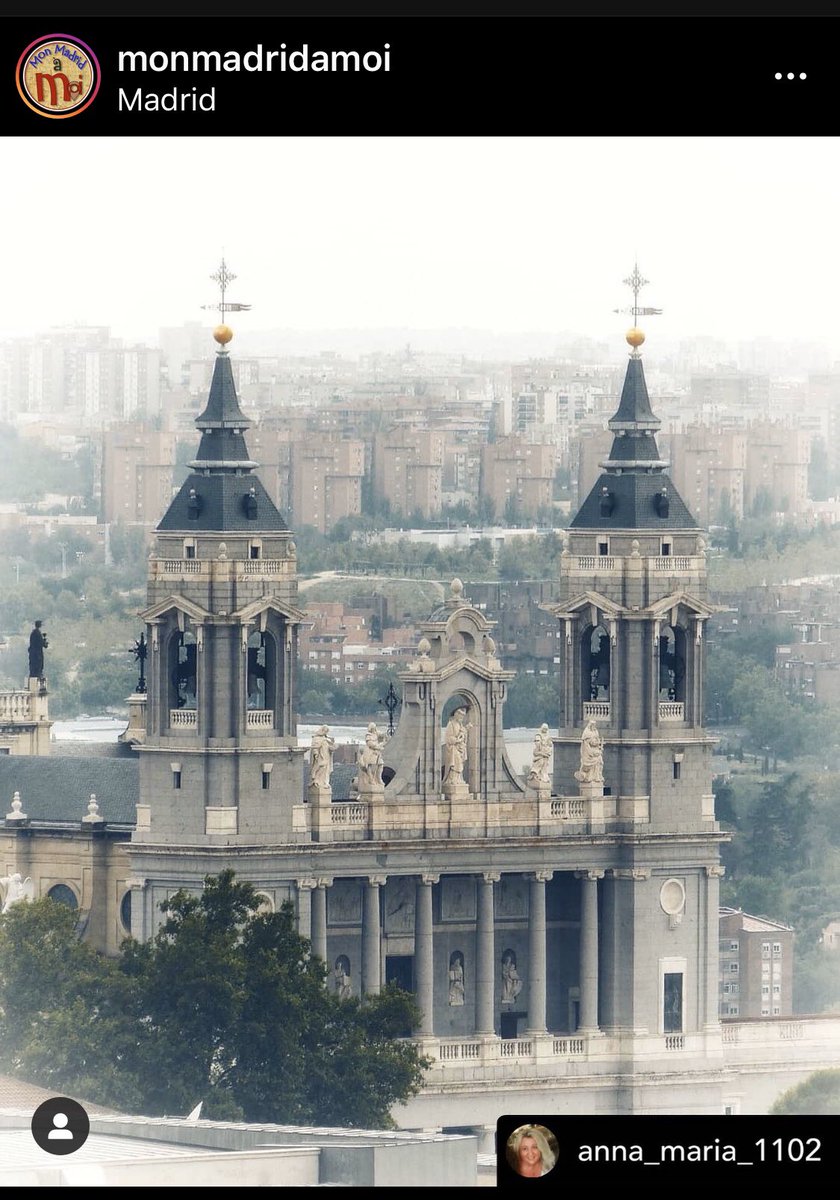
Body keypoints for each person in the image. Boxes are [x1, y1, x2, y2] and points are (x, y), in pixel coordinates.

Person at [443, 707, 470, 785]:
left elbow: (463, 734)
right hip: (453, 748)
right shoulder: (451, 724)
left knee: (460, 764)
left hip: (460, 748)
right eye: (460, 715)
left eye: (462, 716)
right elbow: (448, 738)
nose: (461, 717)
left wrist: (463, 735)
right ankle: (452, 779)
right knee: (455, 763)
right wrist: (457, 740)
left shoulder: (460, 724)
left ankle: (459, 779)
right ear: (456, 714)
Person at [574, 718, 604, 785]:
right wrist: (594, 746)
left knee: (600, 761)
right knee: (595, 760)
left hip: (595, 750)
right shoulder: (587, 733)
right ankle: (590, 777)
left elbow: (596, 741)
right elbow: (587, 745)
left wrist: (598, 744)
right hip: (589, 752)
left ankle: (597, 777)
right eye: (592, 725)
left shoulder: (595, 731)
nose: (593, 726)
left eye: (594, 725)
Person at [309, 725, 335, 789]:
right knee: (321, 766)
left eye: (327, 731)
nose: (326, 733)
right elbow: (315, 747)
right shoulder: (316, 738)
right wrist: (316, 753)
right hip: (320, 756)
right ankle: (316, 779)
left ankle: (324, 782)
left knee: (326, 769)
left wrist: (332, 746)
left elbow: (331, 748)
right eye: (325, 731)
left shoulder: (327, 739)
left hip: (326, 756)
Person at [527, 723, 552, 787]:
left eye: (546, 729)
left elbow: (550, 744)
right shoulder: (538, 735)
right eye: (544, 729)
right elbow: (536, 750)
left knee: (545, 765)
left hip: (546, 753)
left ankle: (543, 777)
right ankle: (535, 774)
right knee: (541, 762)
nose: (545, 730)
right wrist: (542, 752)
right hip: (540, 754)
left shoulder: (548, 736)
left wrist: (548, 749)